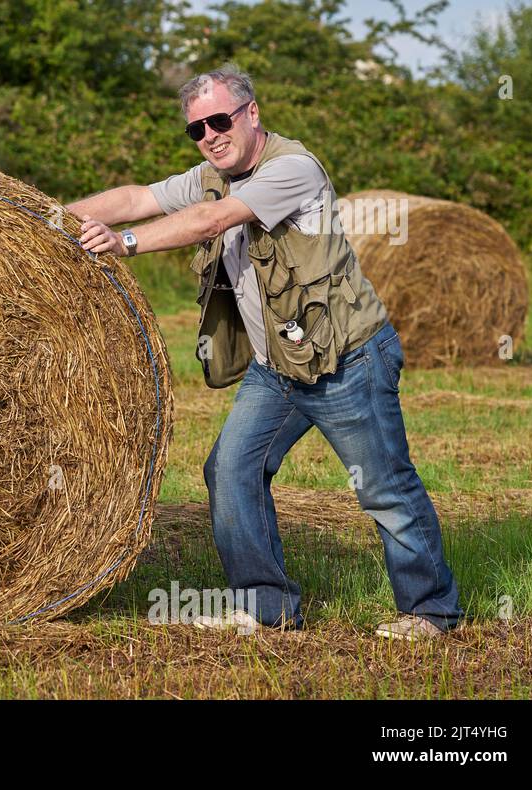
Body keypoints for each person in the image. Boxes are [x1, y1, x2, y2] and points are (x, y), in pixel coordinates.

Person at [68, 67, 461, 640]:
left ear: (251, 113)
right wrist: (41, 218)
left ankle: (431, 611)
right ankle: (266, 608)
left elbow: (213, 219)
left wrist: (124, 243)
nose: (210, 135)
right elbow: (135, 197)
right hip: (277, 367)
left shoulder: (291, 169)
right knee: (231, 469)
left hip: (345, 360)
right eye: (197, 128)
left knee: (384, 488)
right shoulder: (210, 174)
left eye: (220, 120)